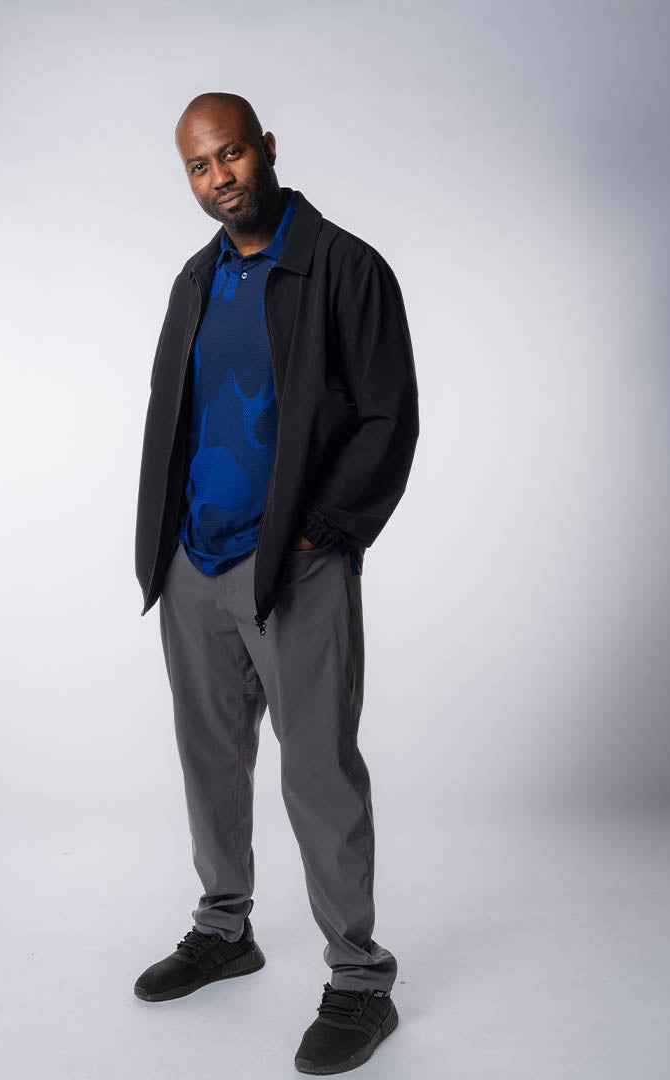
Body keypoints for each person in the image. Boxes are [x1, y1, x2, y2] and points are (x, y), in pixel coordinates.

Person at [132, 91, 419, 1075]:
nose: (219, 178)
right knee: (210, 760)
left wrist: (322, 535)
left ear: (266, 148)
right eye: (199, 166)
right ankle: (226, 930)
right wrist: (167, 547)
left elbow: (388, 416)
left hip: (296, 565)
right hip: (196, 560)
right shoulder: (196, 279)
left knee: (318, 769)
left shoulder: (345, 267)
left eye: (231, 155)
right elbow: (178, 411)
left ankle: (360, 982)